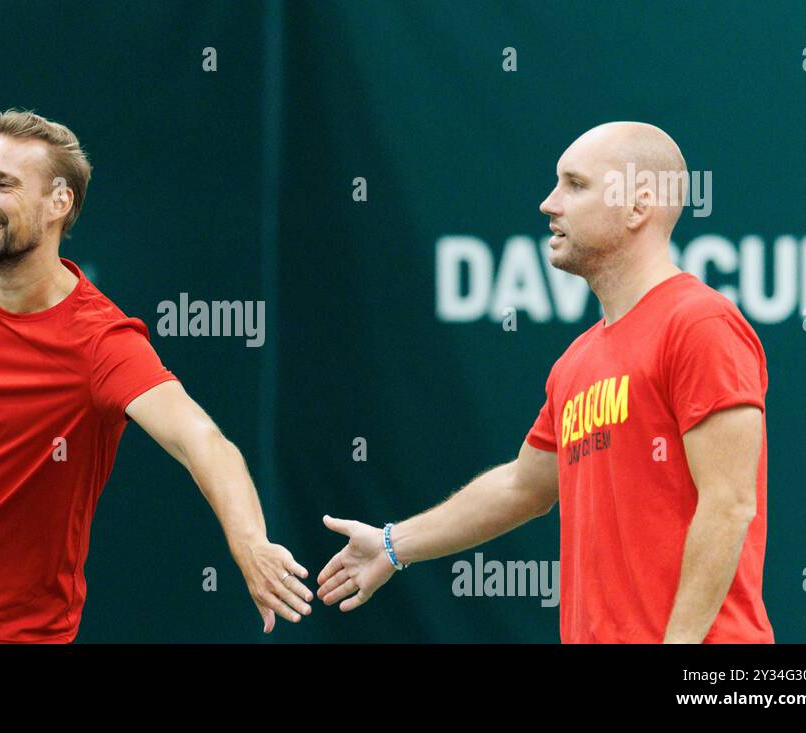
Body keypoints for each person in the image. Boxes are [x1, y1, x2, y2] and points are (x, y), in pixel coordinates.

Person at [0, 108, 312, 643]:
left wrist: (249, 541)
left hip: (15, 635)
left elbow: (202, 441)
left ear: (59, 202)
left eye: (4, 184)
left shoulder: (103, 342)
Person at [318, 122, 774, 643]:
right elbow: (523, 485)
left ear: (637, 206)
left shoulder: (699, 323)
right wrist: (393, 544)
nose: (548, 203)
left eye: (575, 185)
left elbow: (729, 503)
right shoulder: (576, 362)